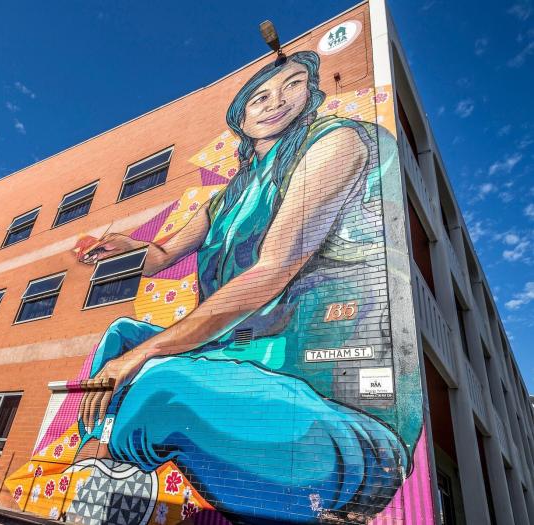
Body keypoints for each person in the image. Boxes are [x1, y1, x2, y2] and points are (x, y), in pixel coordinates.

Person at [72, 51, 414, 523]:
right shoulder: (230, 194)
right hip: (243, 373)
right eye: (260, 97)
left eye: (293, 84)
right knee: (122, 336)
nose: (277, 101)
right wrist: (127, 247)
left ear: (311, 92)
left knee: (161, 382)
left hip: (339, 422)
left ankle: (110, 478)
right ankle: (98, 467)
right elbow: (163, 255)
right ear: (241, 118)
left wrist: (143, 357)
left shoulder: (337, 144)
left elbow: (273, 268)